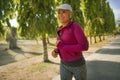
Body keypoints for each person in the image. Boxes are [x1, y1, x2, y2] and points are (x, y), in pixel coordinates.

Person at [52, 4, 89, 80]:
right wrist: (56, 51)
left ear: (70, 14)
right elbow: (60, 46)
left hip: (78, 65)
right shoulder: (59, 29)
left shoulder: (75, 26)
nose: (60, 15)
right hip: (64, 65)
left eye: (63, 12)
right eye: (59, 13)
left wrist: (62, 47)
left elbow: (84, 46)